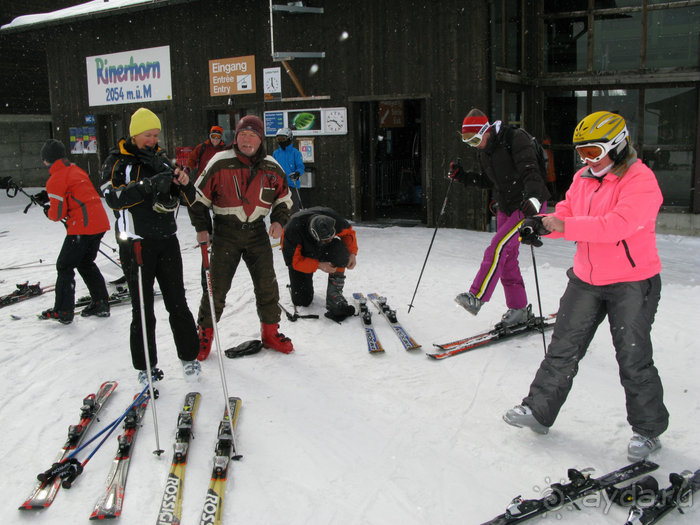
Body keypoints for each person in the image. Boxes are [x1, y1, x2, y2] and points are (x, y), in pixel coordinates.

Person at [503, 111, 669, 461]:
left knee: (633, 357)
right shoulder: (583, 178)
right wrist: (544, 225)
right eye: (583, 153)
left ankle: (648, 430)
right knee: (563, 347)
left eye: (594, 152)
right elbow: (566, 210)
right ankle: (538, 411)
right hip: (586, 280)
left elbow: (616, 226)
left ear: (618, 146)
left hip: (632, 282)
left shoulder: (641, 180)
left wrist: (563, 225)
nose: (588, 160)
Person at [100, 107, 201, 384]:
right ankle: (146, 365)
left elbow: (190, 199)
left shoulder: (161, 159)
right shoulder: (117, 161)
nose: (153, 140)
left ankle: (189, 357)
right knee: (142, 309)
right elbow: (113, 198)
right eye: (148, 135)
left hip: (167, 240)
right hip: (136, 244)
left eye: (156, 134)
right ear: (135, 134)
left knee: (177, 303)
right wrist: (149, 185)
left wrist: (184, 182)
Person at [188, 115, 295, 357]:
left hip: (257, 232)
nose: (247, 140)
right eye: (243, 135)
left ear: (260, 140)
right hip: (226, 232)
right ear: (236, 138)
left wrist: (278, 220)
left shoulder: (271, 167)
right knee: (215, 288)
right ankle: (204, 336)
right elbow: (198, 199)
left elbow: (284, 199)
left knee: (267, 286)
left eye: (253, 135)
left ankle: (270, 333)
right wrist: (202, 227)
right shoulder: (219, 162)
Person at [449, 108, 550, 326]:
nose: (474, 144)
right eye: (467, 141)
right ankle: (519, 309)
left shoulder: (515, 139)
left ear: (486, 130)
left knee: (497, 247)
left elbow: (530, 170)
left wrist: (533, 198)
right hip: (507, 205)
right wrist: (463, 177)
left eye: (475, 139)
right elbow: (491, 181)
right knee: (506, 257)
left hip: (527, 202)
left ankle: (476, 297)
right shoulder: (486, 150)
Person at [37, 139, 111, 324]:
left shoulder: (55, 178)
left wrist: (48, 210)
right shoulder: (75, 170)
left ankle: (63, 311)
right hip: (98, 222)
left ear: (46, 160)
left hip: (82, 227)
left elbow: (57, 213)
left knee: (64, 265)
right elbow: (76, 195)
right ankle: (101, 303)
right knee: (86, 263)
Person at [281, 206, 358, 321]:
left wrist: (352, 253)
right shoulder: (292, 230)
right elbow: (294, 262)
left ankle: (334, 293)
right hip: (303, 256)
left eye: (332, 237)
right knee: (302, 301)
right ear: (314, 234)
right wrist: (318, 265)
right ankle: (298, 286)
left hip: (322, 249)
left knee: (340, 249)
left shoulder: (335, 220)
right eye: (327, 240)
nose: (330, 241)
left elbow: (348, 234)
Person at [272, 127, 305, 212]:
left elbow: (300, 166)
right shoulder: (276, 153)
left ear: (289, 138)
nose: (281, 141)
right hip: (280, 185)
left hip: (292, 184)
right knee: (281, 207)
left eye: (283, 138)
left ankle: (295, 223)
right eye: (278, 139)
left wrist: (297, 173)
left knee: (293, 208)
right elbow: (273, 167)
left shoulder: (295, 153)